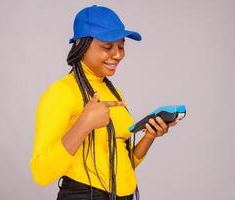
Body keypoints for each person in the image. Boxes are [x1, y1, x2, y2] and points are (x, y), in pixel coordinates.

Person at [30, 5, 179, 200]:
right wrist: (84, 124)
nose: (117, 54)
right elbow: (41, 173)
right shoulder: (61, 92)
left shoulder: (112, 92)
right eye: (107, 47)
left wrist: (149, 136)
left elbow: (121, 163)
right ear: (80, 45)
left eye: (121, 46)